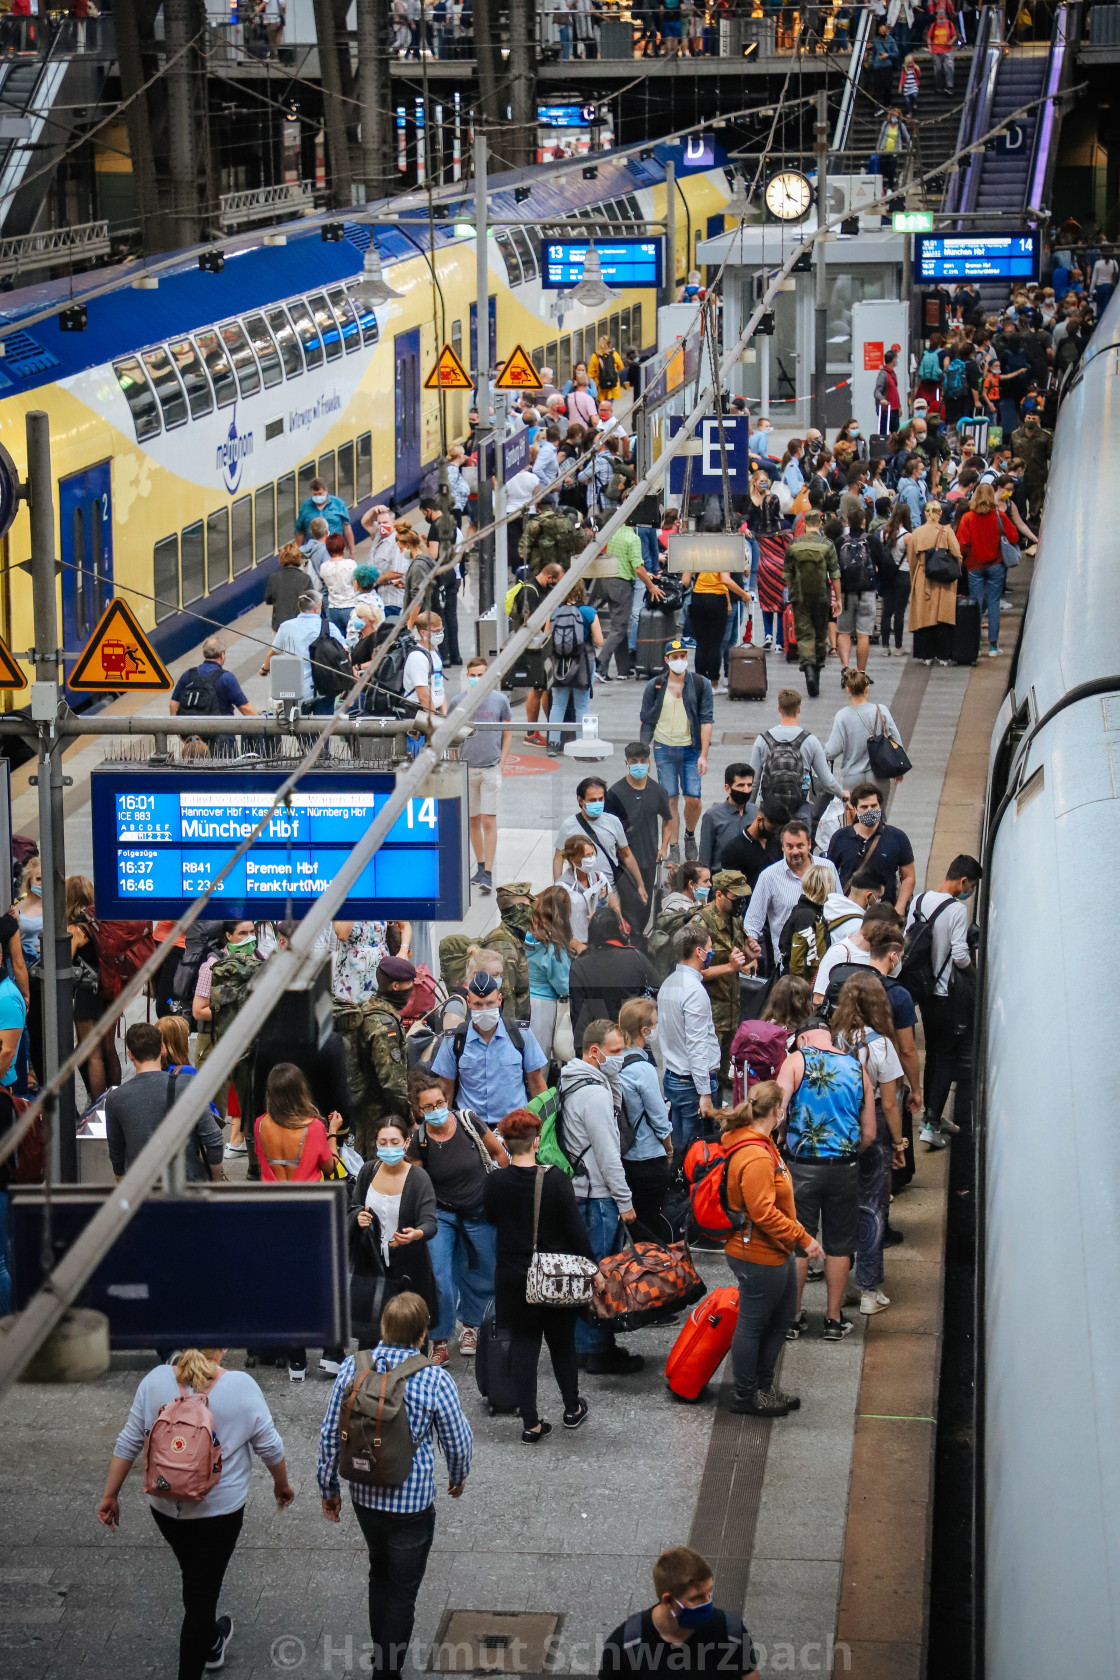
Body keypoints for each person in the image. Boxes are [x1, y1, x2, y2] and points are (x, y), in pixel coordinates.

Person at [98, 1349, 294, 1680]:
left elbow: (129, 1440)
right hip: (218, 1512)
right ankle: (202, 1652)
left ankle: (212, 1636)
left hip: (164, 1507)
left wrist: (110, 1495)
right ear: (222, 1348)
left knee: (195, 1575)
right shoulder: (240, 1387)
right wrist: (282, 1485)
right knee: (202, 1598)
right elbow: (270, 1447)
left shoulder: (155, 1380)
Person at [318, 1293, 472, 1680]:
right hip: (412, 1503)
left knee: (378, 1572)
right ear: (422, 1334)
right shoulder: (434, 1378)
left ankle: (381, 1655)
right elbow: (458, 1439)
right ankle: (387, 1672)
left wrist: (328, 1488)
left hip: (364, 1495)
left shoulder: (353, 1368)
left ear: (383, 1327)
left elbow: (328, 1435)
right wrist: (457, 1474)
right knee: (402, 1591)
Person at [482, 1109, 592, 1438]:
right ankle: (572, 1408)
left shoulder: (496, 1182)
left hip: (514, 1277)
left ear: (505, 1141)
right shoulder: (556, 1179)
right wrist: (593, 1267)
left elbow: (490, 1218)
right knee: (562, 1345)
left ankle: (530, 1424)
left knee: (524, 1346)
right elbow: (576, 1231)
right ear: (536, 1141)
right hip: (556, 1277)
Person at [720, 1081, 822, 1414]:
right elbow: (762, 1211)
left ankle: (764, 1388)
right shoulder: (756, 1156)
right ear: (777, 1111)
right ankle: (747, 1395)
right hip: (758, 1254)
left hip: (775, 1250)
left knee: (781, 1320)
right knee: (753, 1324)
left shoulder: (763, 1145)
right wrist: (803, 1237)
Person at [777, 1016, 875, 1340]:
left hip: (801, 1165)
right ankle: (833, 1320)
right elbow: (870, 1134)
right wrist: (847, 1151)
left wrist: (782, 1135)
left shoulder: (795, 1061)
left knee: (799, 1240)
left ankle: (792, 1317)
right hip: (843, 1166)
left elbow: (776, 1112)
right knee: (839, 1244)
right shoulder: (856, 1068)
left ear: (803, 1040)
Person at [558, 1018, 642, 1374]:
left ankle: (583, 1346)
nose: (621, 1058)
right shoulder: (593, 1093)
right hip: (598, 1196)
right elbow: (608, 1155)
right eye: (615, 1052)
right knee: (601, 1274)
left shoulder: (572, 1080)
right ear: (594, 1051)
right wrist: (625, 1203)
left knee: (584, 1270)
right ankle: (597, 1350)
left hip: (579, 1191)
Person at [405, 1072, 505, 1361]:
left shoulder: (468, 1121)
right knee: (439, 1277)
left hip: (480, 1209)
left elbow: (499, 1154)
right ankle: (439, 1339)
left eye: (440, 1103)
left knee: (482, 1272)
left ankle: (472, 1326)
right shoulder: (419, 1141)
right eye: (429, 1107)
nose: (437, 1110)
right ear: (419, 1111)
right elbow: (418, 1183)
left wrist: (504, 1191)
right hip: (442, 1214)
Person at [831, 972, 908, 1316]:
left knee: (841, 1209)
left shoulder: (836, 1038)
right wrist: (900, 1143)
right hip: (872, 1124)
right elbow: (890, 1103)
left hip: (839, 1123)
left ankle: (840, 1286)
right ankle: (868, 1290)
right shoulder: (881, 1045)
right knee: (872, 1207)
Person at [905, 855, 981, 1150]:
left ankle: (931, 1115)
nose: (969, 891)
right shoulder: (957, 910)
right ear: (963, 882)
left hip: (924, 993)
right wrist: (975, 973)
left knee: (934, 1052)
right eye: (971, 886)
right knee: (946, 1056)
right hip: (947, 995)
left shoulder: (920, 899)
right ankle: (931, 1124)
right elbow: (960, 955)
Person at [599, 1546, 761, 1679]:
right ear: (668, 1600)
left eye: (708, 1592)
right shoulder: (625, 1645)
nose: (708, 1601)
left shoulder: (730, 1630)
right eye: (697, 1597)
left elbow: (749, 1675)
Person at [348, 1116, 439, 1344]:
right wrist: (358, 1217)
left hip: (408, 1266)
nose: (389, 1147)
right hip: (372, 1264)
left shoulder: (418, 1178)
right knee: (370, 1334)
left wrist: (415, 1234)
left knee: (410, 1330)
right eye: (383, 1142)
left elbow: (430, 1222)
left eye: (394, 1142)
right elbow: (353, 1206)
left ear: (406, 1143)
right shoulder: (368, 1172)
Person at [105, 1021, 224, 1184]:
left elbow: (117, 1158)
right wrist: (214, 1180)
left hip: (142, 1190)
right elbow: (214, 1139)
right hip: (187, 1186)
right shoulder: (187, 1084)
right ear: (162, 1049)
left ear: (130, 1055)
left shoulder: (115, 1099)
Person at [431, 970, 548, 1124]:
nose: (484, 1009)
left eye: (490, 1003)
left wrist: (544, 1128)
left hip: (515, 1126)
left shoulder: (521, 1034)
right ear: (469, 1002)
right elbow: (446, 1089)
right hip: (470, 1127)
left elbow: (537, 1083)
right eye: (478, 1004)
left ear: (499, 1000)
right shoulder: (455, 1040)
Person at [639, 637, 715, 864]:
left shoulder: (701, 685)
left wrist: (703, 754)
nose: (680, 661)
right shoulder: (654, 686)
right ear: (666, 660)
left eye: (683, 656)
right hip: (664, 749)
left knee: (693, 799)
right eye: (675, 657)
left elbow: (706, 720)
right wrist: (643, 754)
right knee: (669, 798)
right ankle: (673, 845)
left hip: (690, 749)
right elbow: (646, 720)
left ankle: (690, 835)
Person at [657, 924, 722, 1153]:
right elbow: (697, 1045)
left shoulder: (669, 983)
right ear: (698, 951)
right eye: (709, 948)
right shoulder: (694, 990)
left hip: (675, 1078)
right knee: (697, 1153)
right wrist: (704, 1093)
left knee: (680, 1147)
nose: (710, 953)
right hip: (692, 1084)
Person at [449, 653, 511, 895]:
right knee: (473, 819)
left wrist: (502, 763)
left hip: (490, 768)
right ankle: (481, 865)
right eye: (473, 676)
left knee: (488, 819)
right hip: (467, 768)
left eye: (481, 676)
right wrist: (456, 763)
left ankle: (489, 871)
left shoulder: (499, 700)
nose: (476, 679)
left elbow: (508, 731)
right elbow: (452, 735)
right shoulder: (457, 702)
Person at [744, 820, 840, 971]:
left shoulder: (827, 868)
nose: (795, 851)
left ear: (809, 844)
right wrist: (751, 944)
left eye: (800, 846)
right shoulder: (769, 877)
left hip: (825, 961)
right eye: (789, 846)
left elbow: (839, 907)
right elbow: (753, 921)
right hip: (788, 963)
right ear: (782, 847)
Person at [617, 997, 673, 1237]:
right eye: (656, 1023)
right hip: (648, 1157)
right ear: (644, 1031)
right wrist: (669, 1150)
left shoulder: (615, 1060)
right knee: (650, 1226)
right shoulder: (643, 1069)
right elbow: (659, 1119)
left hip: (624, 1154)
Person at [553, 776, 649, 915]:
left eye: (600, 799)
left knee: (610, 931)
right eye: (592, 800)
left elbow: (626, 854)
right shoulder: (568, 826)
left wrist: (640, 884)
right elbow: (558, 859)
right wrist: (558, 889)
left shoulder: (614, 822)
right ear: (580, 800)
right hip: (578, 895)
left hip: (610, 892)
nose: (597, 803)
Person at [568, 908, 660, 1043]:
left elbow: (579, 1016)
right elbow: (658, 990)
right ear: (617, 929)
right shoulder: (636, 958)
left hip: (599, 1045)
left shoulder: (579, 967)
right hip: (631, 1039)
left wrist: (582, 1054)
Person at [605, 741, 672, 929]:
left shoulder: (658, 792)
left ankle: (637, 943)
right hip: (622, 863)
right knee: (626, 909)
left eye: (643, 761)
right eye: (634, 761)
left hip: (648, 860)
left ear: (649, 761)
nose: (639, 765)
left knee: (644, 908)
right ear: (626, 762)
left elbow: (668, 820)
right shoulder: (615, 793)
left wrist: (664, 847)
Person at [750, 689, 845, 818]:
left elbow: (754, 781)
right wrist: (843, 795)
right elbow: (826, 780)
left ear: (779, 709)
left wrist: (748, 809)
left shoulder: (763, 740)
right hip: (799, 807)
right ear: (799, 709)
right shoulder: (810, 741)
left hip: (769, 808)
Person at [357, 956, 417, 1154]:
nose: (412, 988)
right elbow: (393, 1084)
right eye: (409, 984)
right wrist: (409, 1119)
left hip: (363, 1113)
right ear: (396, 986)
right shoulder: (385, 1026)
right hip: (381, 1118)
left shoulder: (365, 1008)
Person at [826, 783, 915, 912]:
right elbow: (829, 875)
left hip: (885, 913)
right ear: (855, 808)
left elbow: (908, 876)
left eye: (874, 806)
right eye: (864, 807)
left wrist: (900, 907)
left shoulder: (897, 837)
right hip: (848, 912)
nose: (870, 810)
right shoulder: (840, 837)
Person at [956, 481, 1019, 657]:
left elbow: (962, 543)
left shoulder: (967, 518)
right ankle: (993, 646)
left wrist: (965, 557)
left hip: (974, 566)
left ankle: (975, 645)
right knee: (994, 603)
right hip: (996, 565)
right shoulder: (999, 516)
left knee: (975, 605)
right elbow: (1013, 536)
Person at [260, 590, 347, 714]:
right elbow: (345, 651)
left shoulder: (286, 627)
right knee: (322, 728)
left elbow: (273, 652)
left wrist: (264, 669)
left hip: (296, 691)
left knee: (298, 729)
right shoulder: (329, 627)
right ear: (317, 608)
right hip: (324, 688)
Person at [783, 510, 840, 697]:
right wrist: (838, 598)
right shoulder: (827, 545)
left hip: (800, 596)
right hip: (821, 596)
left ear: (805, 524)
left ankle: (808, 668)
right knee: (819, 633)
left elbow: (787, 574)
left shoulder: (794, 544)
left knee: (804, 633)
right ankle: (817, 670)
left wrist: (793, 590)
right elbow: (835, 574)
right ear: (820, 524)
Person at [546, 577, 602, 755]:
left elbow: (546, 637)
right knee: (582, 705)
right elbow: (599, 640)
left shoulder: (555, 611)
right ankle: (581, 744)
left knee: (558, 704)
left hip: (559, 662)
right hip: (583, 662)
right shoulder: (589, 612)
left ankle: (553, 744)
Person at [825, 670, 904, 794]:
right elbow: (896, 738)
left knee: (854, 812)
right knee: (877, 811)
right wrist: (899, 767)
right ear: (867, 689)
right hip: (879, 774)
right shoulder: (880, 710)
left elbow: (832, 750)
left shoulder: (842, 716)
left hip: (852, 776)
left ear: (848, 690)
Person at [905, 498, 962, 665]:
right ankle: (944, 655)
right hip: (945, 581)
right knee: (943, 617)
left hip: (924, 577)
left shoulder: (917, 533)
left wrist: (914, 579)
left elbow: (912, 561)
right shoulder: (947, 532)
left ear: (925, 513)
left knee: (924, 617)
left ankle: (926, 655)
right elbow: (958, 555)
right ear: (940, 513)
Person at [679, 564, 751, 689]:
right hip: (717, 600)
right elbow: (725, 580)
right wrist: (744, 594)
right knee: (715, 643)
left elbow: (685, 581)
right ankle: (713, 683)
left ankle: (699, 681)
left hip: (698, 599)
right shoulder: (721, 554)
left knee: (701, 644)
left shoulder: (694, 554)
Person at [525, 885, 575, 1058]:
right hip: (543, 1004)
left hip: (524, 998)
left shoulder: (527, 934)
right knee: (540, 1056)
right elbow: (563, 985)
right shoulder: (553, 946)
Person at [169, 637, 259, 725]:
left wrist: (180, 732)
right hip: (221, 735)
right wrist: (262, 725)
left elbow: (173, 705)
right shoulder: (227, 678)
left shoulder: (188, 675)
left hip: (193, 735)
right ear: (222, 655)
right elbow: (245, 708)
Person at [556, 834, 616, 950]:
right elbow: (558, 926)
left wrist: (602, 915)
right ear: (573, 859)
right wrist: (577, 946)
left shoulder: (599, 878)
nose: (591, 859)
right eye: (586, 856)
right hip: (575, 949)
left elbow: (615, 908)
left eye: (592, 854)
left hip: (600, 944)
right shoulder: (562, 887)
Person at [698, 764, 757, 873]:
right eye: (740, 785)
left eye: (749, 785)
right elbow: (704, 860)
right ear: (727, 788)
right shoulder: (712, 816)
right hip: (722, 882)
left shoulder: (757, 813)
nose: (746, 790)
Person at [871, 501, 912, 656]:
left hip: (887, 575)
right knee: (899, 612)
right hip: (903, 574)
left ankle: (885, 646)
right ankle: (898, 646)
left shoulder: (884, 532)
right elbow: (911, 559)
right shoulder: (908, 536)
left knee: (886, 611)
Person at [720, 799, 786, 890]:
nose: (775, 833)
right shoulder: (733, 849)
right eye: (772, 829)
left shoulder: (777, 843)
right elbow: (731, 891)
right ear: (759, 820)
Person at [296, 475, 355, 556]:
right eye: (315, 494)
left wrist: (352, 551)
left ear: (326, 490)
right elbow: (300, 532)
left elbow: (347, 527)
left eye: (320, 494)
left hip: (336, 551)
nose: (317, 496)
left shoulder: (338, 503)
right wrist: (297, 553)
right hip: (313, 552)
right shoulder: (305, 507)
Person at [402, 610, 447, 713]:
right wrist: (435, 720)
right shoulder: (418, 657)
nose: (440, 634)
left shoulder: (435, 652)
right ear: (423, 633)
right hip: (419, 712)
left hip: (434, 710)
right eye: (435, 631)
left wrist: (444, 715)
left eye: (441, 630)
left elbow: (439, 687)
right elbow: (423, 696)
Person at [264, 542, 315, 633]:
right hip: (299, 625)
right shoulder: (305, 578)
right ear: (298, 557)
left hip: (279, 625)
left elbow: (268, 600)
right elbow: (311, 603)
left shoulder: (274, 577)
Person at [873, 346, 902, 433]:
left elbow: (894, 391)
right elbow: (877, 391)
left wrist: (899, 407)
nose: (897, 361)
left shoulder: (892, 373)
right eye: (896, 358)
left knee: (895, 433)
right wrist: (882, 399)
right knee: (885, 433)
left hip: (895, 409)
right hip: (887, 410)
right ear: (893, 360)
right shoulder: (883, 374)